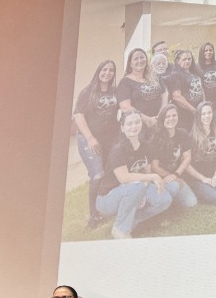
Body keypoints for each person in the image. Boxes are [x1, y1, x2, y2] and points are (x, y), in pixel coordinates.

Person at [95, 110, 173, 239]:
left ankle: (131, 222)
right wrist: (152, 178)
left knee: (164, 199)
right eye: (129, 124)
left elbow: (146, 171)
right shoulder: (118, 150)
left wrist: (143, 190)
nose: (134, 126)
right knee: (137, 186)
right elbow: (124, 178)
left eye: (137, 122)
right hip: (107, 199)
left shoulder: (145, 146)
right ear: (122, 127)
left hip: (135, 189)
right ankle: (120, 229)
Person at [72, 59, 118, 229]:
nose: (107, 73)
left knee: (107, 173)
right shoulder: (88, 92)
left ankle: (105, 207)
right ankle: (93, 216)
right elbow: (78, 116)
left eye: (111, 70)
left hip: (109, 139)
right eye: (104, 70)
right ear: (98, 71)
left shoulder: (115, 91)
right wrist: (90, 137)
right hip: (89, 139)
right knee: (97, 174)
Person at [185, 101, 216, 204]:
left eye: (209, 113)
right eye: (203, 114)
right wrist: (203, 179)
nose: (207, 116)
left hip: (213, 172)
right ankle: (198, 187)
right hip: (198, 176)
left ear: (213, 114)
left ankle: (214, 183)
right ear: (198, 116)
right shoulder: (192, 136)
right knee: (215, 198)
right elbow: (186, 165)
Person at [150, 104, 199, 209]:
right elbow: (155, 167)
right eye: (167, 116)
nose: (171, 119)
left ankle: (171, 198)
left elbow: (187, 157)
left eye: (174, 115)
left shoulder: (183, 133)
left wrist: (177, 174)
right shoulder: (155, 138)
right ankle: (164, 198)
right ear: (162, 119)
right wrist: (172, 176)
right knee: (174, 188)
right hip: (161, 177)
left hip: (176, 174)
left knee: (191, 203)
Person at [117, 48, 168, 132]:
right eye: (136, 59)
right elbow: (125, 107)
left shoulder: (156, 76)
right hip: (138, 126)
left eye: (142, 57)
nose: (140, 60)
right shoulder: (125, 82)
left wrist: (161, 115)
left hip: (159, 122)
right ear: (130, 63)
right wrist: (148, 120)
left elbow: (164, 95)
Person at [167, 49, 205, 128]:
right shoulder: (175, 75)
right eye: (184, 59)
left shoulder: (195, 74)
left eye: (189, 59)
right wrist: (193, 109)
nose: (187, 61)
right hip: (185, 113)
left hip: (199, 111)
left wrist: (204, 104)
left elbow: (201, 90)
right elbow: (176, 97)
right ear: (178, 61)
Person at [197, 42, 216, 121]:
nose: (208, 52)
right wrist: (204, 101)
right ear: (201, 52)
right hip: (206, 102)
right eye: (206, 50)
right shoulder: (197, 67)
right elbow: (200, 86)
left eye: (210, 50)